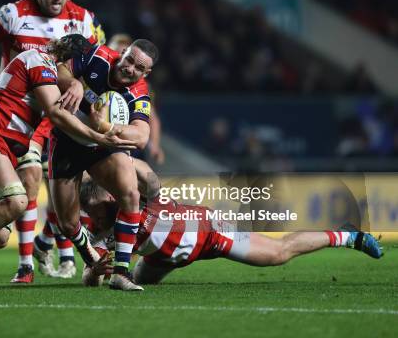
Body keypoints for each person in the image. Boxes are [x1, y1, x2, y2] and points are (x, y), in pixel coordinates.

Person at [0, 34, 136, 293]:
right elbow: (56, 113)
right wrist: (99, 137)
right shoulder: (38, 61)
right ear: (72, 61)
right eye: (81, 67)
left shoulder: (48, 68)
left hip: (1, 147)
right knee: (17, 201)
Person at [0, 0, 102, 282]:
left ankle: (48, 250)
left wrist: (81, 84)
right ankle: (26, 263)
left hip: (57, 113)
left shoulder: (82, 18)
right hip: (18, 116)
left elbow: (93, 66)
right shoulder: (13, 13)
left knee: (66, 189)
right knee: (18, 191)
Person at [78, 164, 384, 287]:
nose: (98, 220)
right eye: (94, 215)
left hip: (210, 232)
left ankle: (348, 236)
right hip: (162, 257)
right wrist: (94, 270)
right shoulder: (101, 227)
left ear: (108, 196)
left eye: (100, 211)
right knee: (144, 280)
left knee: (278, 254)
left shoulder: (136, 196)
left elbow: (146, 173)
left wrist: (119, 159)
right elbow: (89, 279)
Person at [49, 38, 159, 291]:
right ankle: (92, 259)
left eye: (139, 68)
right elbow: (58, 68)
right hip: (67, 141)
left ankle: (121, 272)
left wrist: (105, 126)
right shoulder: (97, 56)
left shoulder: (139, 92)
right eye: (129, 60)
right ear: (122, 53)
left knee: (130, 193)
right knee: (67, 224)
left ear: (146, 73)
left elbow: (141, 136)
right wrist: (73, 82)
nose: (131, 68)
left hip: (101, 145)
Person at [108, 33, 164, 165]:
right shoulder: (96, 71)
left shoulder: (142, 89)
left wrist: (154, 145)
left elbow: (152, 117)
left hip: (125, 144)